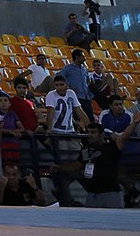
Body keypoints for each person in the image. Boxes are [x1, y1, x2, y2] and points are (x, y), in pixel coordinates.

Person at [67, 112, 140, 208]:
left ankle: (134, 193)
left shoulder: (111, 147)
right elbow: (76, 166)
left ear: (102, 135)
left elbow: (124, 137)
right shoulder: (86, 151)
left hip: (111, 194)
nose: (89, 135)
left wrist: (134, 123)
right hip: (93, 194)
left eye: (93, 132)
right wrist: (58, 168)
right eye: (88, 132)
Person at [46, 73, 90, 206]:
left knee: (78, 163)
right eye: (57, 85)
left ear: (67, 85)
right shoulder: (51, 95)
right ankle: (65, 195)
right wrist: (49, 129)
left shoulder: (71, 94)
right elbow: (50, 112)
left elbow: (79, 111)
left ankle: (63, 192)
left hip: (71, 133)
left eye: (61, 85)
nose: (59, 87)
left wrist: (89, 126)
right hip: (58, 134)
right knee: (64, 165)